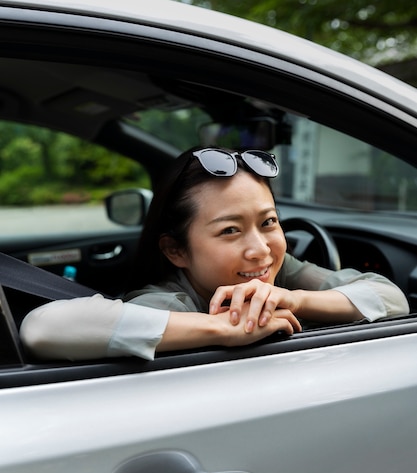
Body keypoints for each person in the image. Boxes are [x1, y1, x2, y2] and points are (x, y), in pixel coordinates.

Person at [20, 147, 409, 361]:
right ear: (176, 250)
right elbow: (42, 328)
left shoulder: (279, 273)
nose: (260, 250)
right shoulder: (170, 303)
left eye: (269, 222)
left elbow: (392, 297)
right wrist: (224, 329)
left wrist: (295, 298)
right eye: (229, 230)